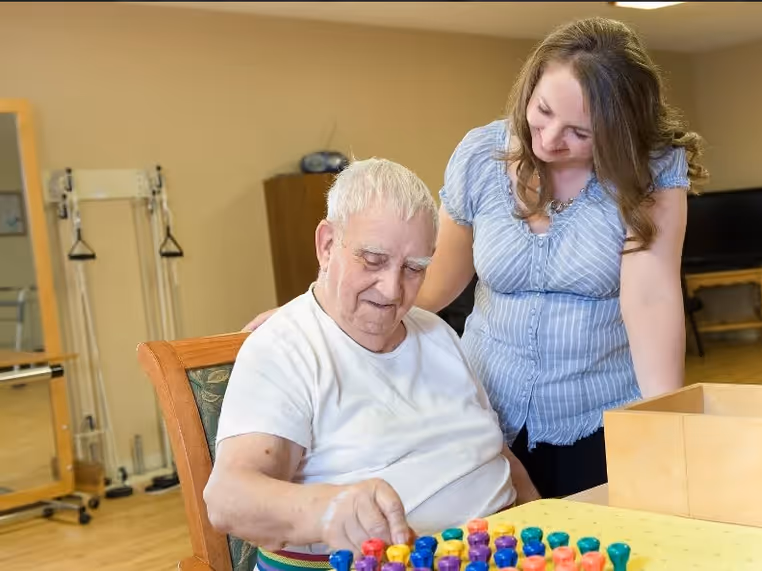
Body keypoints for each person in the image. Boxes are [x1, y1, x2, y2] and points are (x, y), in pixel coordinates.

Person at [244, 17, 707, 500]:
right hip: (483, 414)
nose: (549, 140)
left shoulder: (650, 168)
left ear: (618, 130)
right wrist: (318, 315)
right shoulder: (482, 155)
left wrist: (664, 427)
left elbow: (650, 299)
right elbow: (433, 282)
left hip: (598, 414)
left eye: (579, 132)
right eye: (542, 111)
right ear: (529, 86)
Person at [207, 158, 539, 569]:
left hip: (508, 551)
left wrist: (545, 520)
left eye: (414, 268)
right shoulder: (285, 347)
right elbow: (227, 498)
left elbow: (496, 454)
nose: (392, 289)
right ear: (327, 245)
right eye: (373, 259)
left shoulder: (436, 334)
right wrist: (330, 508)